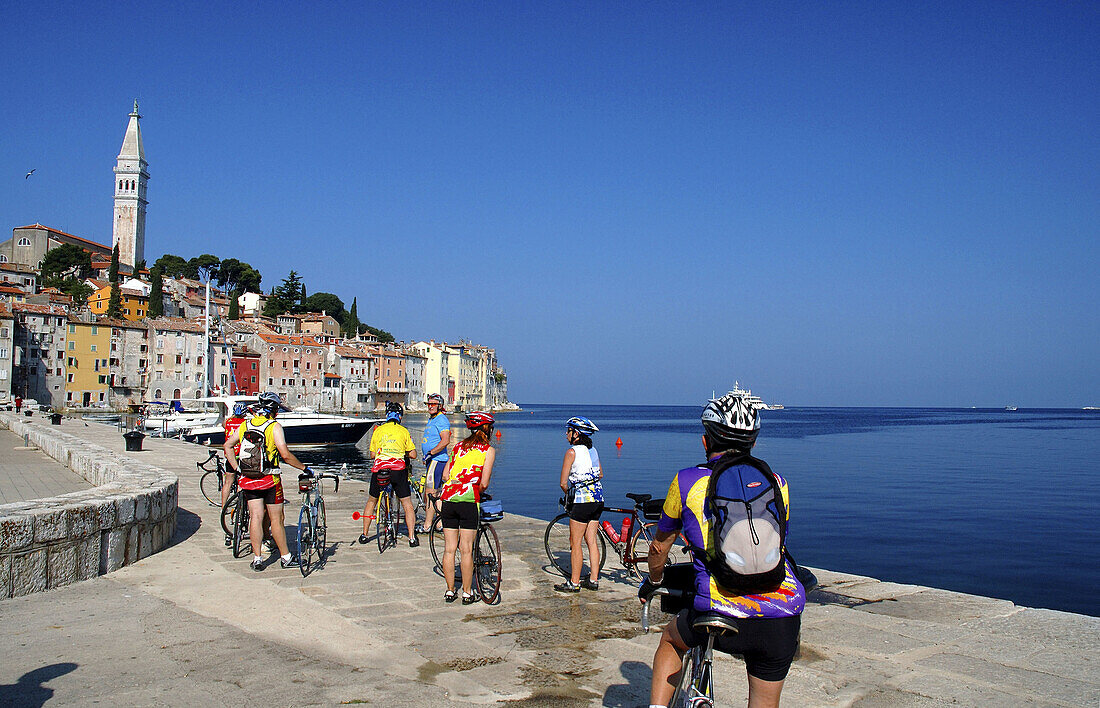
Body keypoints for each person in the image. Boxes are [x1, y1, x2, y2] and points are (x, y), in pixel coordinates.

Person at [639, 392, 806, 708]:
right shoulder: (778, 482)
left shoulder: (687, 482)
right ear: (753, 444)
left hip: (719, 611)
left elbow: (660, 546)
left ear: (706, 442)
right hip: (781, 616)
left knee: (671, 641)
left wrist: (656, 579)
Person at [223, 391, 311, 571]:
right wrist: (303, 468)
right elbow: (285, 455)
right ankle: (286, 557)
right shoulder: (274, 427)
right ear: (275, 410)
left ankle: (257, 558)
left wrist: (237, 468)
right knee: (276, 518)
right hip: (270, 479)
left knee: (255, 516)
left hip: (248, 478)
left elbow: (228, 445)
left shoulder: (246, 424)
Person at [439, 411, 496, 604]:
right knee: (466, 550)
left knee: (449, 549)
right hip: (469, 501)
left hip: (449, 499)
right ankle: (466, 592)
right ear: (487, 430)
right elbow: (485, 483)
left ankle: (449, 590)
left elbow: (446, 475)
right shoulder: (488, 450)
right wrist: (474, 488)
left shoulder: (458, 447)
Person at [554, 416, 604, 593]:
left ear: (576, 434)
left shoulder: (572, 453)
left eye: (568, 431)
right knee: (591, 541)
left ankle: (574, 583)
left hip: (582, 501)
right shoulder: (594, 451)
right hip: (598, 499)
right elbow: (600, 475)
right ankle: (593, 580)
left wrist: (570, 493)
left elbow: (563, 483)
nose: (566, 434)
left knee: (575, 543)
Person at [360, 401, 419, 547]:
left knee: (371, 501)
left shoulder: (378, 430)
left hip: (379, 470)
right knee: (407, 503)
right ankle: (412, 538)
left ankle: (364, 534)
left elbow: (372, 454)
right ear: (399, 417)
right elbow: (413, 455)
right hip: (398, 470)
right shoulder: (403, 431)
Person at [418, 393, 452, 535]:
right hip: (432, 460)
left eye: (433, 404)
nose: (430, 406)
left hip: (437, 460)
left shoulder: (441, 420)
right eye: (429, 404)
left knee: (430, 493)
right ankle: (439, 524)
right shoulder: (432, 419)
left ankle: (427, 525)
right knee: (437, 492)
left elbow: (445, 440)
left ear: (440, 406)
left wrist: (431, 452)